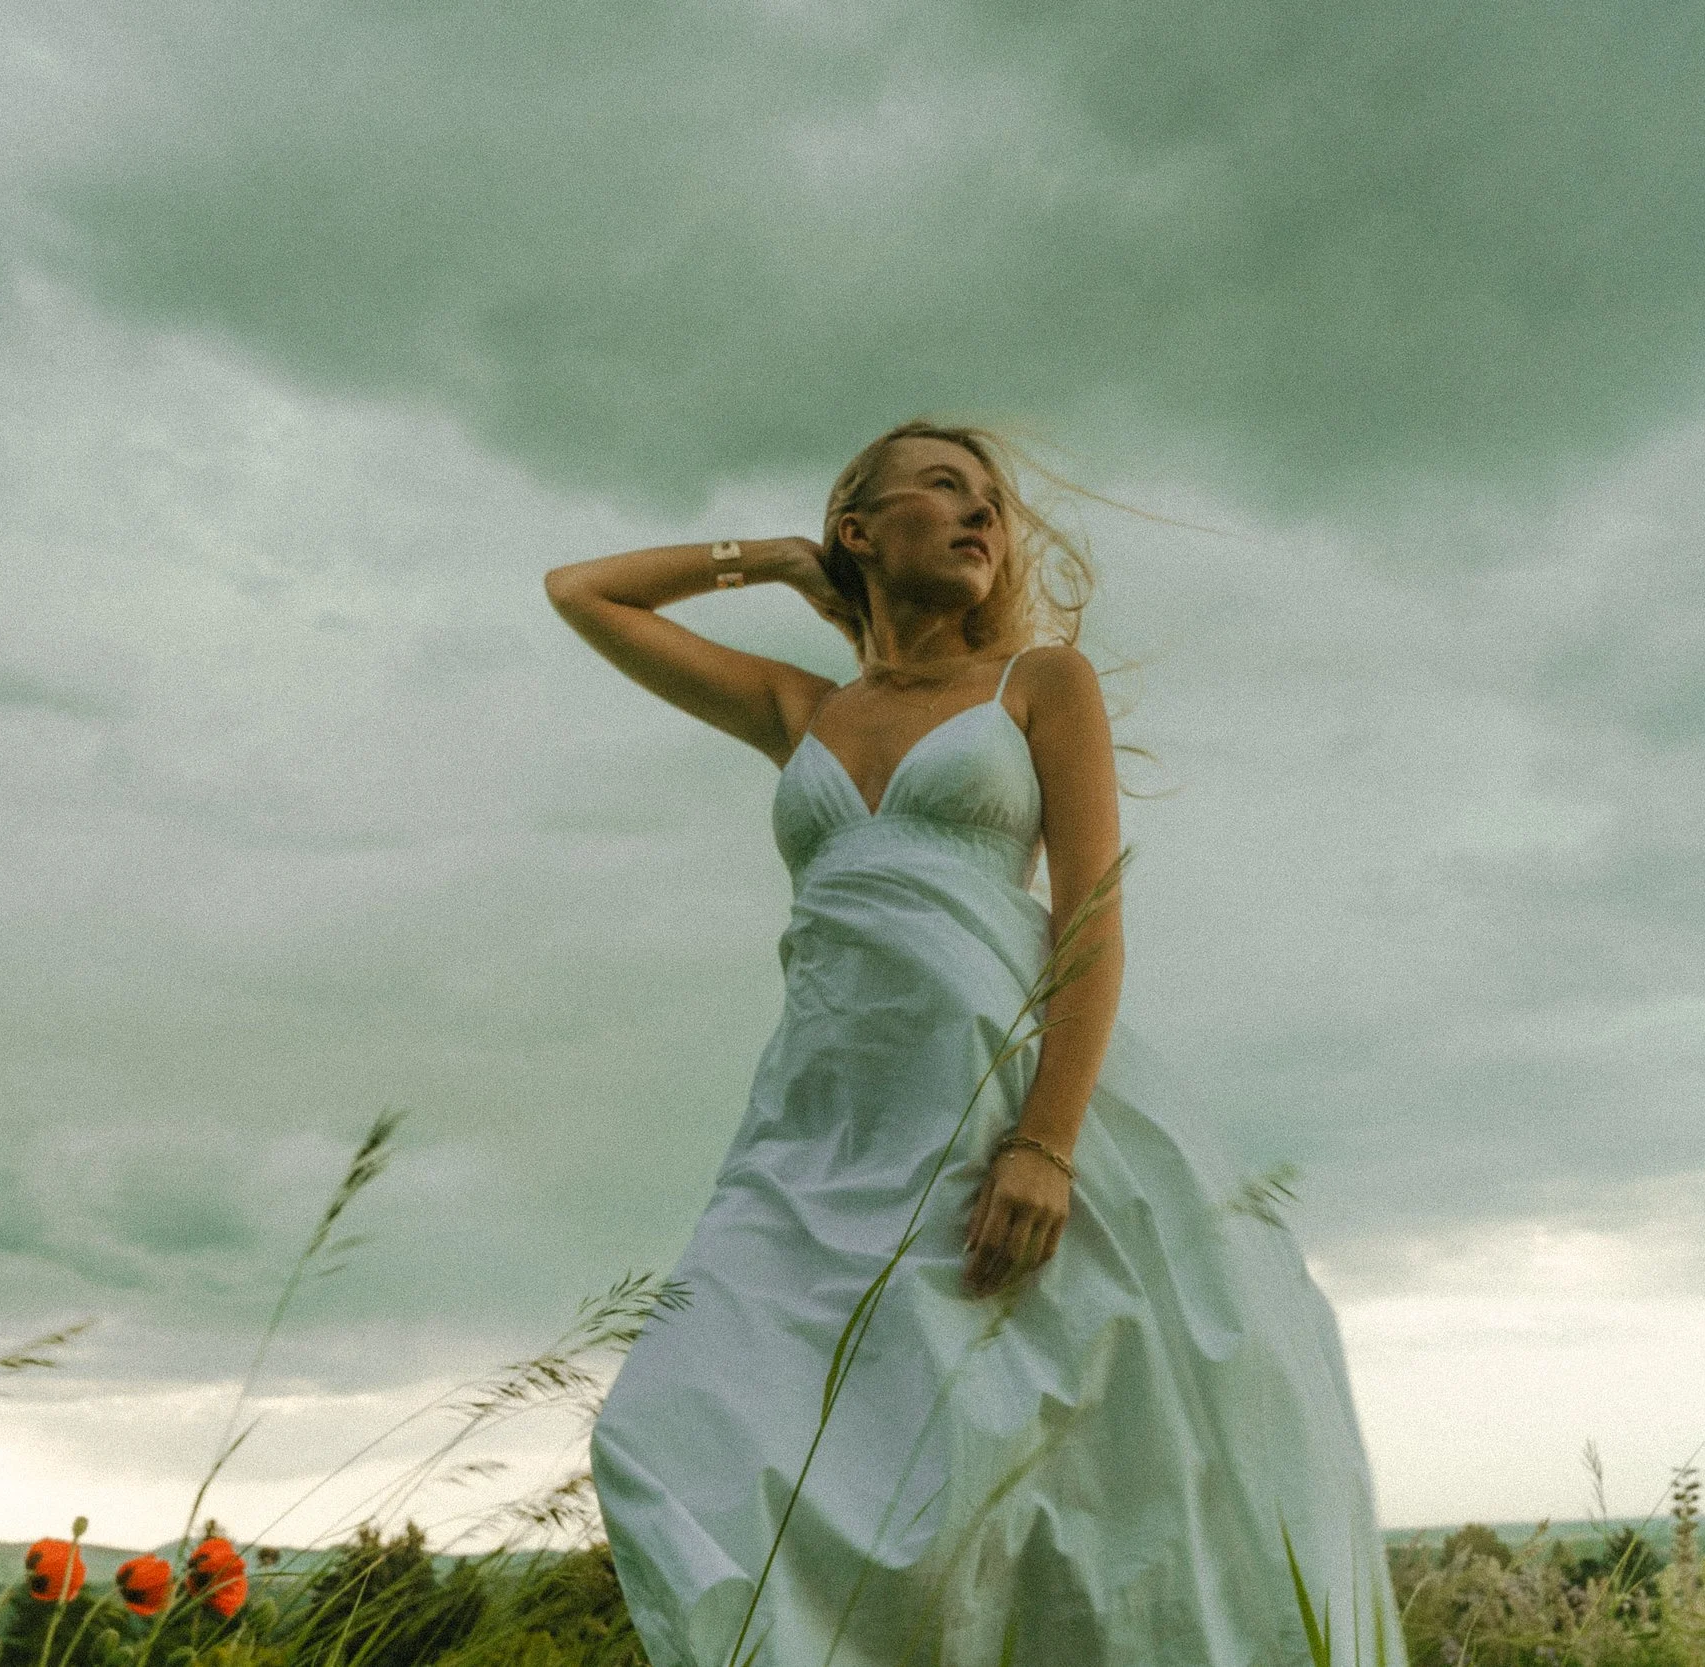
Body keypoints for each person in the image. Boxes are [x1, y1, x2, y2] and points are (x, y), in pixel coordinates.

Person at [545, 420, 1404, 1667]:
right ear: (860, 527)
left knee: (1026, 1481)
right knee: (663, 1424)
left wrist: (1045, 1141)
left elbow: (1091, 917)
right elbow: (583, 591)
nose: (982, 517)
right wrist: (777, 560)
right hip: (816, 1128)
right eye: (943, 489)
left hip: (994, 1105)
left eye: (993, 504)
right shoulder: (803, 708)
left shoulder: (1038, 684)